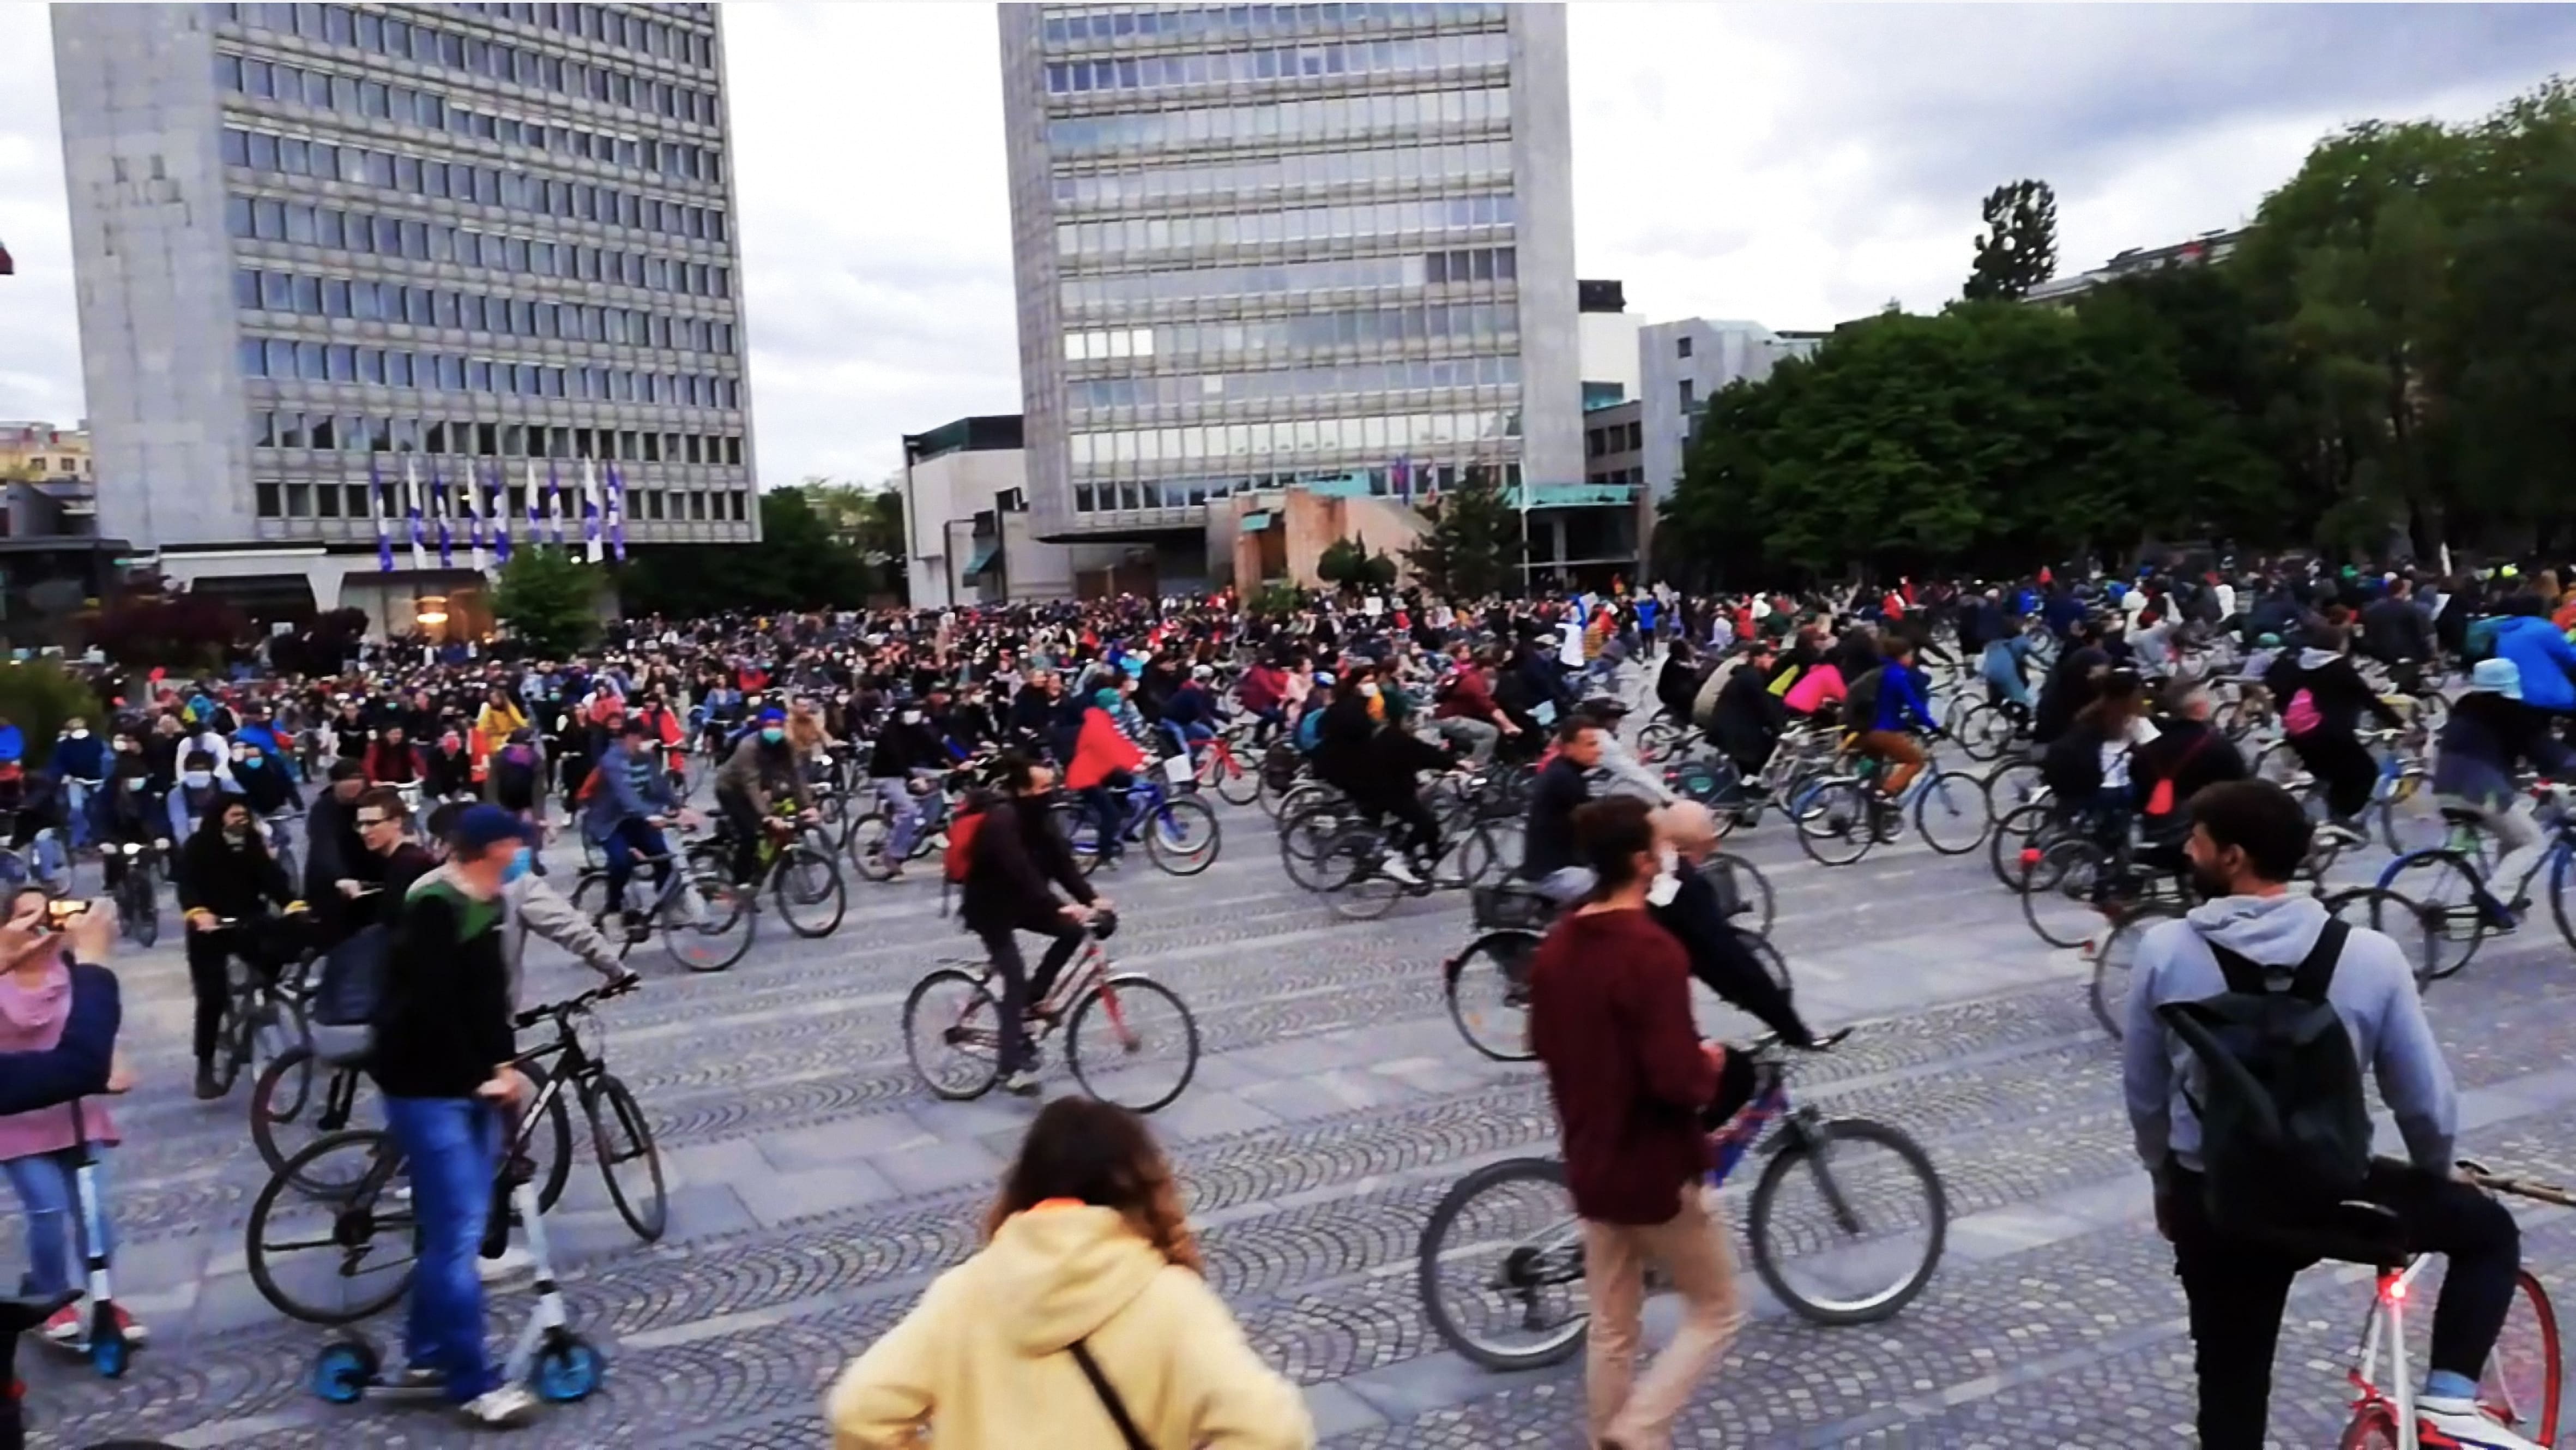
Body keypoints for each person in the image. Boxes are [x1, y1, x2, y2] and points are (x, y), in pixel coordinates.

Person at [2122, 779, 2534, 1450]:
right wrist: (2438, 1173)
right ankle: (2452, 1398)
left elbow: (2145, 1094)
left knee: (2230, 1382)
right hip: (2338, 1189)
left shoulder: (2165, 952)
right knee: (2487, 1232)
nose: (2185, 852)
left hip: (2219, 1197)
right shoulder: (2370, 956)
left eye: (2195, 842)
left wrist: (2166, 1183)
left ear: (2232, 857)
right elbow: (2424, 1098)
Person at [824, 1097, 1311, 1449]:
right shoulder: (1170, 1300)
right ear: (1142, 1191)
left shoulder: (964, 1293)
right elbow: (1271, 1430)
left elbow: (859, 1409)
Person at [1527, 796, 1740, 1450]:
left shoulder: (1559, 945)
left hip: (1592, 1156)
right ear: (1645, 862)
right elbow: (1676, 1078)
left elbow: (1544, 1040)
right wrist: (1707, 1064)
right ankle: (1640, 1431)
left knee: (1613, 1325)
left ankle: (1606, 1442)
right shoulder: (1651, 951)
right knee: (1717, 1309)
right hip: (1655, 1167)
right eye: (1659, 846)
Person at [370, 805, 541, 1429]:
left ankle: (424, 1352)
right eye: (512, 844)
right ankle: (474, 1381)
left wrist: (504, 1063)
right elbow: (432, 1006)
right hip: (424, 1085)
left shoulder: (489, 902)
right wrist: (480, 1074)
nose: (521, 853)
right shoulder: (435, 903)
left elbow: (486, 998)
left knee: (449, 1230)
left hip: (469, 1085)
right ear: (483, 849)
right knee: (461, 1234)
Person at [0, 889, 139, 1349]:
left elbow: (96, 1031)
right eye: (26, 918)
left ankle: (105, 1299)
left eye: (48, 916)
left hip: (75, 1110)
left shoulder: (74, 974)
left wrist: (116, 1064)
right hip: (18, 1118)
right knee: (47, 1208)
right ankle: (51, 1296)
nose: (38, 928)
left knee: (93, 1211)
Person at [959, 755, 1103, 1097]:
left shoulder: (1041, 818)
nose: (1051, 793)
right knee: (1013, 976)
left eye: (1053, 785)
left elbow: (1062, 863)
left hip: (1023, 903)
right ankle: (1009, 1068)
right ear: (1023, 790)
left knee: (1071, 930)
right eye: (1044, 787)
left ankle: (1032, 1000)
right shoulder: (1001, 820)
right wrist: (1060, 905)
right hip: (990, 909)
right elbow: (1020, 871)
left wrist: (1092, 899)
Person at [1648, 802, 1812, 1046]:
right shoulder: (1683, 884)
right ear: (1709, 843)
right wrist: (1791, 1027)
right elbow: (1726, 959)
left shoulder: (1662, 877)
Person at [2432, 658, 2576, 924]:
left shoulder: (2465, 708)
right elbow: (2545, 751)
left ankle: (2509, 894)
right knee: (2534, 842)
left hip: (2445, 784)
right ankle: (2495, 898)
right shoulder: (2511, 712)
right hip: (2480, 787)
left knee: (2512, 835)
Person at [176, 796, 301, 1099]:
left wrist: (293, 905)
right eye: (235, 815)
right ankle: (205, 1066)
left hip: (247, 921)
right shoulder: (198, 846)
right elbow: (187, 886)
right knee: (212, 997)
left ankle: (264, 1001)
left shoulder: (253, 844)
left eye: (245, 814)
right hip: (210, 926)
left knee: (277, 952)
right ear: (220, 817)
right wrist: (198, 913)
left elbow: (272, 880)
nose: (241, 820)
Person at [2267, 622, 2404, 839]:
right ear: (2339, 644)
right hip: (2328, 734)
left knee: (2334, 776)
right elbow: (2368, 699)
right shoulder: (2338, 667)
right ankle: (2339, 821)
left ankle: (2321, 821)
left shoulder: (2298, 661)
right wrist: (2400, 723)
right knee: (2366, 772)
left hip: (2298, 734)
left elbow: (2275, 684)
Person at [581, 719, 689, 940]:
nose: (648, 743)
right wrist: (649, 814)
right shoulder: (612, 760)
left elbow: (659, 786)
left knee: (662, 857)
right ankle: (612, 912)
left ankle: (668, 905)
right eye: (644, 738)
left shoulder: (647, 758)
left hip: (637, 820)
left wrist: (680, 808)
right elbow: (625, 794)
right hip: (609, 823)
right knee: (621, 862)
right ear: (630, 737)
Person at [714, 706, 816, 886]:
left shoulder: (786, 745)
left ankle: (759, 870)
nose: (774, 729)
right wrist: (767, 816)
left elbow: (796, 776)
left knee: (782, 826)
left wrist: (808, 806)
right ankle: (741, 885)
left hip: (760, 787)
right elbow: (751, 784)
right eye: (769, 725)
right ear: (761, 727)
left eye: (778, 725)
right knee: (750, 835)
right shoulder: (748, 747)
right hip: (731, 789)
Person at [863, 699, 945, 881]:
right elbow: (896, 758)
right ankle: (892, 854)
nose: (915, 714)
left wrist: (961, 760)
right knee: (909, 811)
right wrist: (913, 779)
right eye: (911, 710)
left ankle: (926, 823)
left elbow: (936, 746)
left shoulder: (916, 729)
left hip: (907, 771)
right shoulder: (890, 733)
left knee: (941, 781)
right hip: (886, 775)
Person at [1519, 714, 1602, 889]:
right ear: (1569, 748)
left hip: (1561, 864)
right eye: (1591, 745)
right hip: (1554, 873)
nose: (1599, 750)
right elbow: (1594, 820)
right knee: (1615, 892)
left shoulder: (1565, 770)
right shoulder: (1564, 778)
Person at [351, 787, 437, 921]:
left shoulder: (407, 864)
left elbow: (391, 919)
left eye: (371, 823)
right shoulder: (406, 859)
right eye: (360, 824)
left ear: (397, 822)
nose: (363, 831)